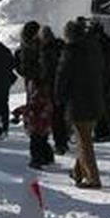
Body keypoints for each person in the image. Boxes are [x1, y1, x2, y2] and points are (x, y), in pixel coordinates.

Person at [56, 19, 104, 189]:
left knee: (84, 142)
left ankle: (93, 178)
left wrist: (59, 97)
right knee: (84, 137)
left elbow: (63, 76)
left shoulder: (71, 51)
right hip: (95, 99)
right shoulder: (93, 47)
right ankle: (78, 172)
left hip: (79, 102)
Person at [14, 21, 54, 169]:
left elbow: (23, 68)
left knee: (34, 119)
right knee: (41, 119)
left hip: (35, 85)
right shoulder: (42, 46)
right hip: (43, 86)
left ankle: (38, 156)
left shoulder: (26, 48)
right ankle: (46, 153)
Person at [40, 26, 70, 155]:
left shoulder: (45, 50)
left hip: (53, 86)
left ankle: (60, 144)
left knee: (56, 117)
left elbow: (47, 71)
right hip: (66, 85)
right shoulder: (61, 46)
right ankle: (64, 140)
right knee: (62, 114)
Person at [91, 20, 110, 142]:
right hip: (109, 76)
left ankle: (102, 131)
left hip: (100, 77)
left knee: (100, 107)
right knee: (109, 107)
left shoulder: (98, 44)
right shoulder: (108, 43)